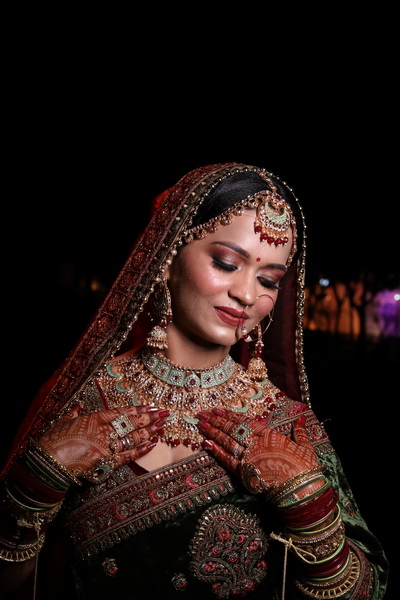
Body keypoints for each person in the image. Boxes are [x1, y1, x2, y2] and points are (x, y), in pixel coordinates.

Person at [0, 163, 388, 599]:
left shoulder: (286, 425)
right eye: (226, 263)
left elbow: (366, 590)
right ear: (167, 258)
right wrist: (31, 491)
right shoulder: (81, 400)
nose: (247, 294)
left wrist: (313, 515)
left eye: (268, 280)